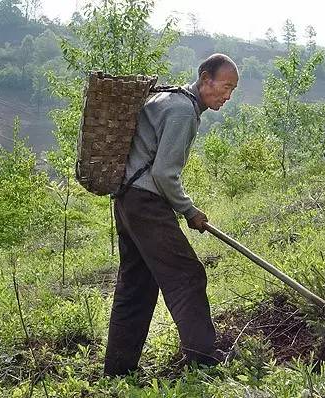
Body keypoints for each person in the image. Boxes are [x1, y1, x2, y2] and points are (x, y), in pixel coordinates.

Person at [104, 54, 239, 376]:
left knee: (137, 284)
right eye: (225, 87)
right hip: (147, 203)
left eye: (233, 90)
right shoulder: (182, 111)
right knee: (187, 275)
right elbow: (165, 174)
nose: (228, 96)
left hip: (128, 201)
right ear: (205, 79)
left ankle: (118, 370)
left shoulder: (169, 98)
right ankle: (204, 360)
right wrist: (189, 210)